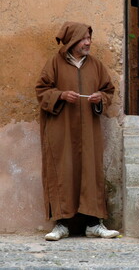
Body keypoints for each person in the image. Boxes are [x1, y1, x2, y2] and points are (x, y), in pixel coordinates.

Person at [36, 22, 119, 241]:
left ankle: (93, 224)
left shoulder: (95, 65)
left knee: (91, 172)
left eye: (89, 38)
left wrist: (100, 98)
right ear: (72, 40)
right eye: (84, 39)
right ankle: (61, 224)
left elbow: (108, 90)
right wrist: (61, 95)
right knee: (63, 171)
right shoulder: (54, 63)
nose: (88, 42)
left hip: (89, 132)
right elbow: (42, 91)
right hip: (61, 131)